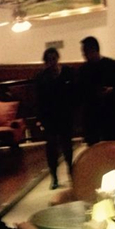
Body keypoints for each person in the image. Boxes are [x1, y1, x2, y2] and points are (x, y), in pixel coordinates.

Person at [34, 47, 74, 189]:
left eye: (53, 59)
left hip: (65, 115)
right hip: (49, 117)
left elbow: (73, 93)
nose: (52, 62)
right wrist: (40, 119)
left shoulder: (67, 72)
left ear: (57, 58)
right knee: (51, 148)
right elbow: (39, 100)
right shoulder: (41, 77)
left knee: (67, 146)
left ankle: (71, 171)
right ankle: (54, 177)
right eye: (49, 60)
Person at [78, 36, 115, 144]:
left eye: (85, 52)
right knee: (94, 144)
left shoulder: (112, 66)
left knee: (110, 142)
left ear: (93, 50)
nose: (84, 55)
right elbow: (80, 91)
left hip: (109, 110)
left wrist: (112, 90)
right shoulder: (83, 70)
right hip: (91, 113)